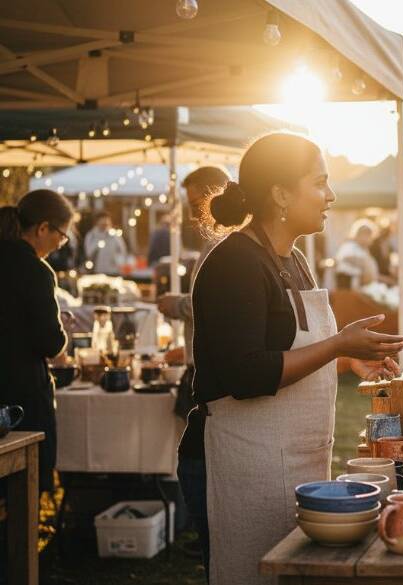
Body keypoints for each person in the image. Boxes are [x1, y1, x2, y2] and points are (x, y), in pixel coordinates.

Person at [190, 133, 403, 585]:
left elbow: (287, 350)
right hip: (244, 461)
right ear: (281, 193)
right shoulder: (234, 263)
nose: (331, 195)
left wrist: (347, 361)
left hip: (294, 458)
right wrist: (337, 346)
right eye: (320, 183)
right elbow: (246, 373)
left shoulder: (295, 259)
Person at [156, 165, 231, 581]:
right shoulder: (220, 242)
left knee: (199, 452)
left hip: (209, 367)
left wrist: (177, 304)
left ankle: (199, 526)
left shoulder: (223, 243)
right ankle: (196, 525)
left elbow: (210, 303)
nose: (192, 214)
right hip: (201, 360)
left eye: (195, 203)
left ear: (211, 194)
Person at [0, 190, 75, 495]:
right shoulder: (36, 271)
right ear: (43, 228)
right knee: (24, 488)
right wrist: (63, 330)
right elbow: (50, 342)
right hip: (22, 395)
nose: (60, 243)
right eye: (61, 235)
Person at [335, 218, 380, 288]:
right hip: (350, 289)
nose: (371, 240)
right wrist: (363, 267)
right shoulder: (349, 246)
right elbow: (345, 259)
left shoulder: (363, 249)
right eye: (369, 236)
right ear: (360, 234)